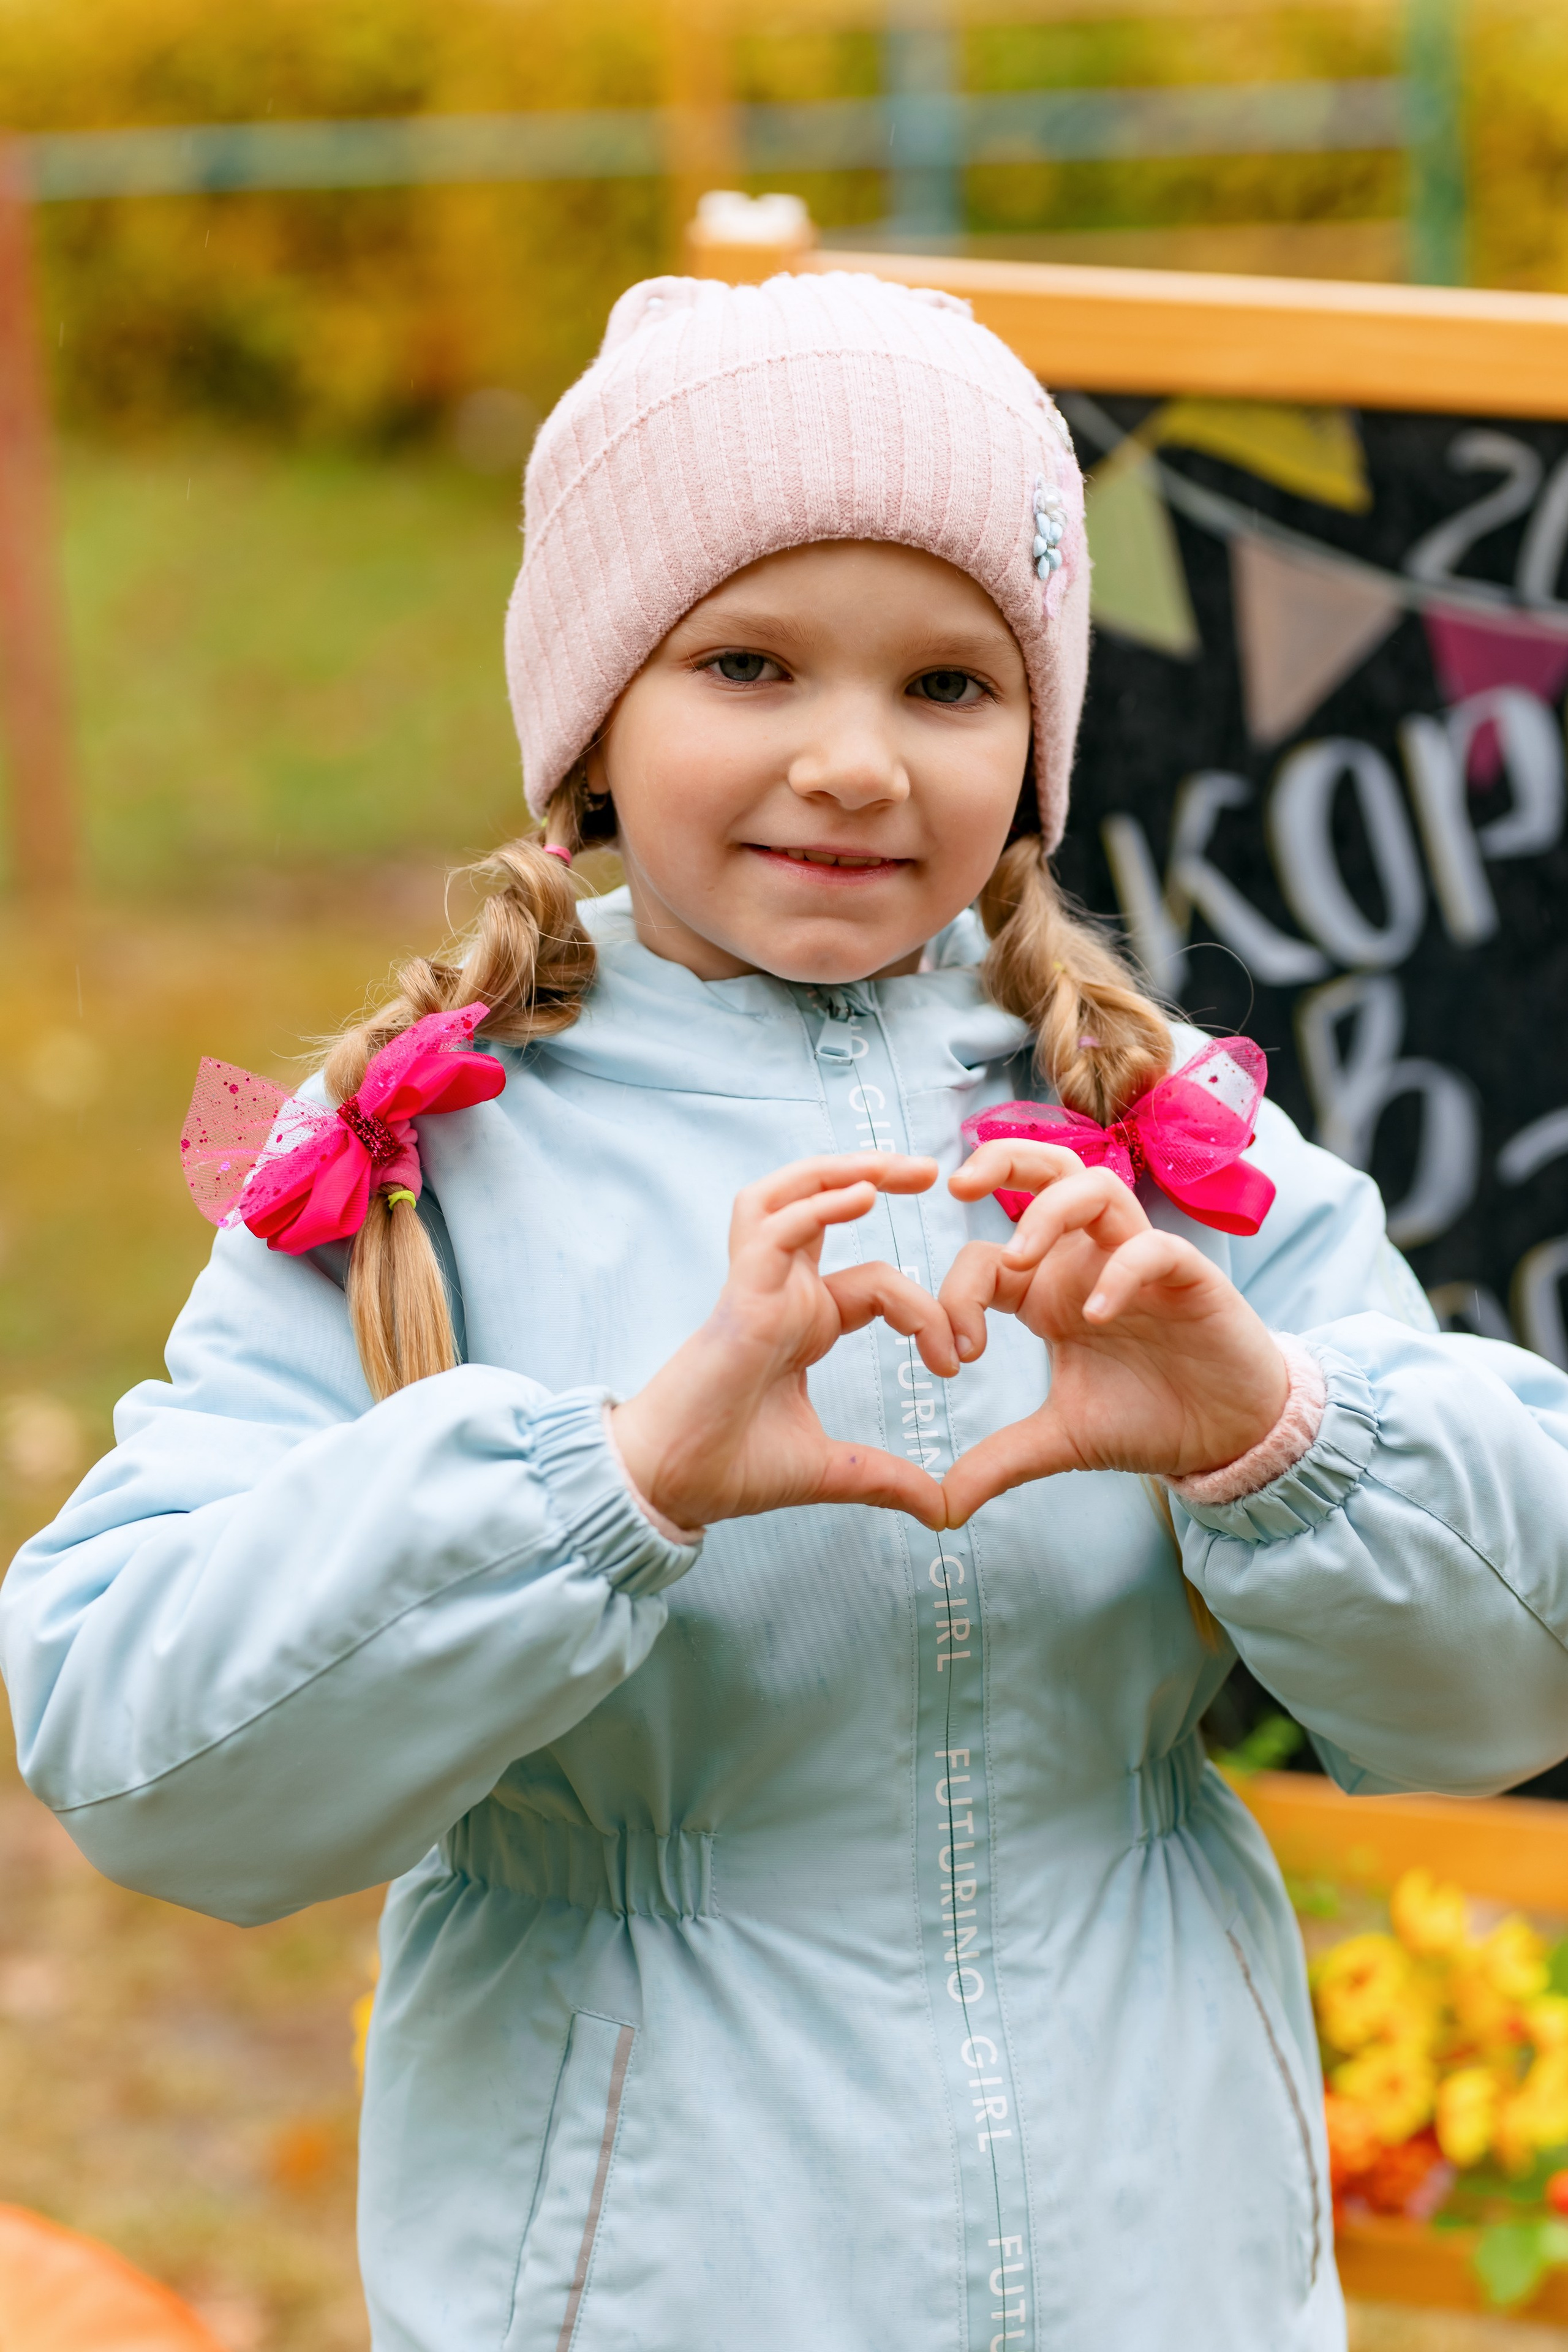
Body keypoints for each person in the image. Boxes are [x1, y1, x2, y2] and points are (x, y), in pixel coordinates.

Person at [4, 271, 1568, 2352]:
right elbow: (136, 1752)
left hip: (1166, 2266)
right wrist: (609, 1488)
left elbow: (1505, 1690)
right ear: (589, 711)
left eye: (947, 687)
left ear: (1035, 742)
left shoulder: (1159, 1140)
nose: (850, 763)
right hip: (649, 2285)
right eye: (749, 663)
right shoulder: (417, 1161)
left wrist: (1272, 1430)